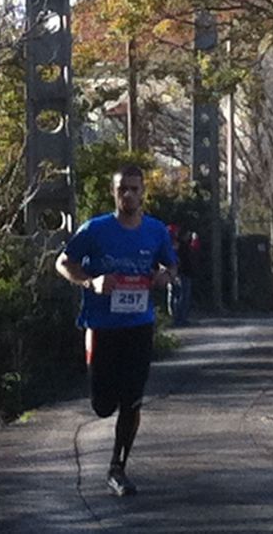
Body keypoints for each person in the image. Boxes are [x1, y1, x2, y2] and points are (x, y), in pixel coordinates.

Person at [54, 164, 178, 496]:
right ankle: (105, 407)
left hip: (139, 326)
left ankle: (117, 468)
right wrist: (90, 281)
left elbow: (170, 265)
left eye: (135, 189)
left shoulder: (155, 231)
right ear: (114, 192)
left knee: (132, 400)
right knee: (103, 406)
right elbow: (63, 263)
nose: (128, 195)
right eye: (122, 189)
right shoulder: (95, 230)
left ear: (142, 193)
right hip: (101, 327)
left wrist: (165, 276)